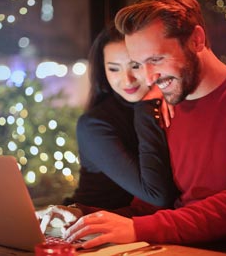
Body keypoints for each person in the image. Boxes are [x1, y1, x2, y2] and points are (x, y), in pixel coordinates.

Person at [54, 0, 226, 249]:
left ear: (197, 40)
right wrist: (82, 218)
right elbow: (148, 208)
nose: (148, 78)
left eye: (156, 59)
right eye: (140, 63)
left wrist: (138, 228)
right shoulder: (168, 106)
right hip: (176, 247)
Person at [37, 22, 179, 227]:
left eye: (135, 66)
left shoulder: (168, 106)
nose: (127, 80)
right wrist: (147, 105)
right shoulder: (95, 125)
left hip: (136, 228)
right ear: (103, 72)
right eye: (114, 69)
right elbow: (156, 195)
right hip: (86, 227)